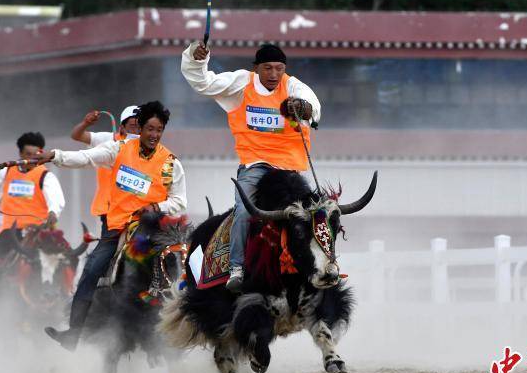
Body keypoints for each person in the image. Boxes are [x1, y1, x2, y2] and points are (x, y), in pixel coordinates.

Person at [39, 101, 187, 351]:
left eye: (159, 130)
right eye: (149, 129)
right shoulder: (118, 149)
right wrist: (55, 156)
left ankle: (188, 320)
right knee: (91, 269)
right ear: (138, 128)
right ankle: (73, 334)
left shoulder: (171, 163)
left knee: (184, 264)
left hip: (154, 228)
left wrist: (157, 208)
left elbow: (180, 201)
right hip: (117, 227)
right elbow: (86, 157)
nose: (154, 135)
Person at [181, 41, 321, 292]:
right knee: (244, 212)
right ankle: (236, 268)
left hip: (289, 171)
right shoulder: (240, 83)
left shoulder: (293, 86)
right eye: (268, 68)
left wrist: (302, 108)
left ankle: (322, 266)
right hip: (254, 167)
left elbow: (313, 107)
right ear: (256, 68)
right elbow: (203, 83)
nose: (274, 75)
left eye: (279, 68)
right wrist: (196, 58)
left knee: (316, 213)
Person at [0, 132, 65, 286]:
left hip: (40, 232)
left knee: (64, 260)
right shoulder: (6, 172)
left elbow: (56, 197)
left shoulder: (46, 176)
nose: (32, 158)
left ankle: (66, 295)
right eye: (28, 154)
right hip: (12, 233)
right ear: (20, 154)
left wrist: (53, 212)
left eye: (36, 155)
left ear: (42, 153)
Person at [70, 106, 140, 222]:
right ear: (122, 127)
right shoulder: (108, 140)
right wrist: (85, 123)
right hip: (109, 208)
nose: (137, 131)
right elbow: (77, 135)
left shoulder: (149, 146)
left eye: (140, 126)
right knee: (108, 240)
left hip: (138, 209)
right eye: (133, 126)